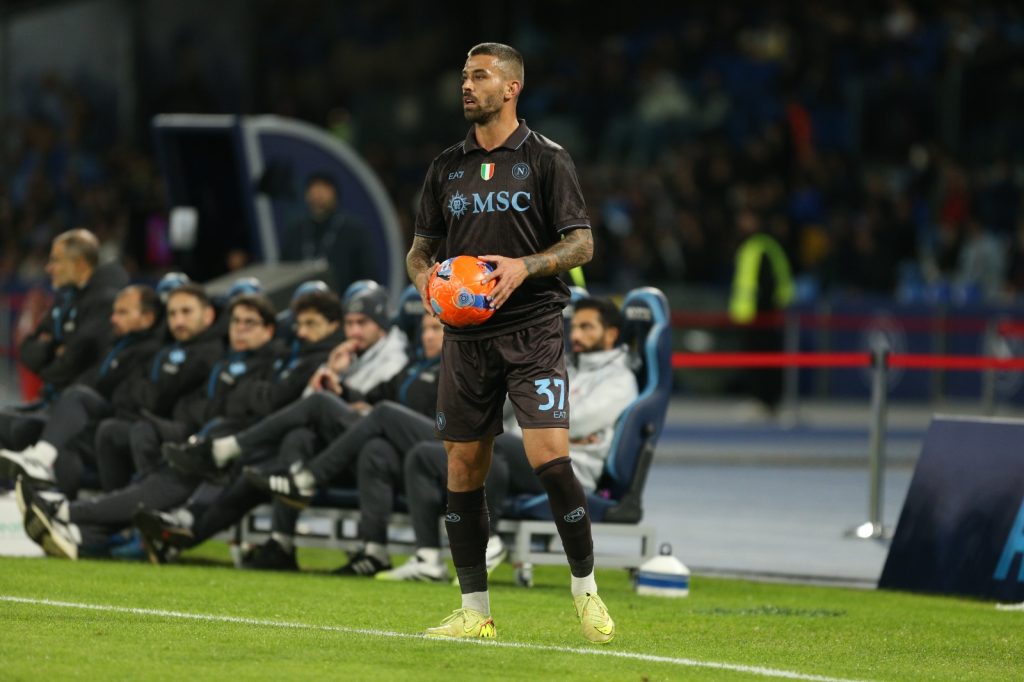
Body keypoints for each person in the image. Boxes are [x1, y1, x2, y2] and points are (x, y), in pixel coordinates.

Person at [404, 43, 610, 642]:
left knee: (550, 459)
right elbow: (421, 249)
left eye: (480, 76)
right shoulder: (446, 167)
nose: (467, 86)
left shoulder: (547, 159)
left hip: (533, 327)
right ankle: (476, 610)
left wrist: (524, 267)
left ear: (512, 87)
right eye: (464, 77)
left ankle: (586, 591)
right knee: (463, 466)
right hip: (466, 337)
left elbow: (582, 244)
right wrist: (427, 285)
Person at [377, 297, 637, 584]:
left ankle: (489, 541)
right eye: (574, 327)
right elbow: (517, 410)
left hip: (569, 470)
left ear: (611, 334)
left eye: (587, 327)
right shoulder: (564, 365)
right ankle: (430, 559)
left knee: (481, 439)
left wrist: (537, 422)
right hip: (524, 452)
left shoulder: (621, 380)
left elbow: (564, 421)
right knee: (425, 455)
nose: (575, 334)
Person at [0, 285, 162, 495]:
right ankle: (17, 492)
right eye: (114, 312)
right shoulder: (115, 344)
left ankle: (43, 465)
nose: (113, 318)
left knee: (75, 402)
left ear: (147, 318)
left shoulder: (150, 351)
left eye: (123, 312)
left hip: (117, 418)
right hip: (90, 413)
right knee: (18, 423)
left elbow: (121, 393)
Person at [2, 229, 126, 446]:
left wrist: (49, 353)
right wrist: (54, 349)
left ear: (79, 264)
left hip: (80, 409)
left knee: (18, 429)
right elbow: (27, 350)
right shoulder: (65, 299)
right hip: (51, 399)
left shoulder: (105, 302)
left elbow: (75, 359)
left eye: (56, 260)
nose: (49, 268)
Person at [728, 209, 794, 416]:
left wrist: (764, 309)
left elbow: (768, 282)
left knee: (765, 358)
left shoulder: (760, 247)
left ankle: (766, 401)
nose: (742, 223)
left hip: (761, 315)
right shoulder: (756, 246)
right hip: (752, 315)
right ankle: (761, 400)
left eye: (747, 219)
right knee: (757, 358)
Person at [280, 172, 375, 292]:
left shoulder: (354, 231)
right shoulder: (295, 231)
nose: (318, 195)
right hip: (302, 300)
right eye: (314, 189)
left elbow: (367, 275)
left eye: (324, 189)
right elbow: (283, 273)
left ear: (335, 194)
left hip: (342, 299)